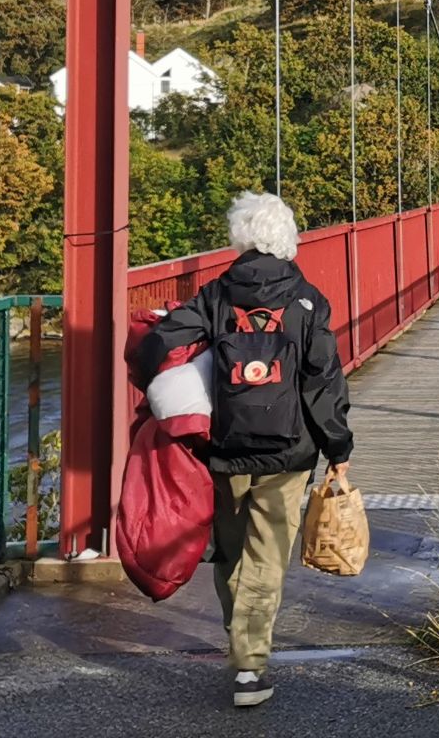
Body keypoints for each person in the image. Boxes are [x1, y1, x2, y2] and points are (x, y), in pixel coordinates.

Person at [136, 191, 353, 709]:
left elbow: (157, 344)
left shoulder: (215, 295)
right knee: (265, 558)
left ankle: (242, 641)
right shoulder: (307, 300)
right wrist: (338, 446)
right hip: (289, 454)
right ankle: (250, 669)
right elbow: (322, 384)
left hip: (224, 450)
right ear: (287, 237)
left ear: (241, 236)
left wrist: (164, 396)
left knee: (231, 553)